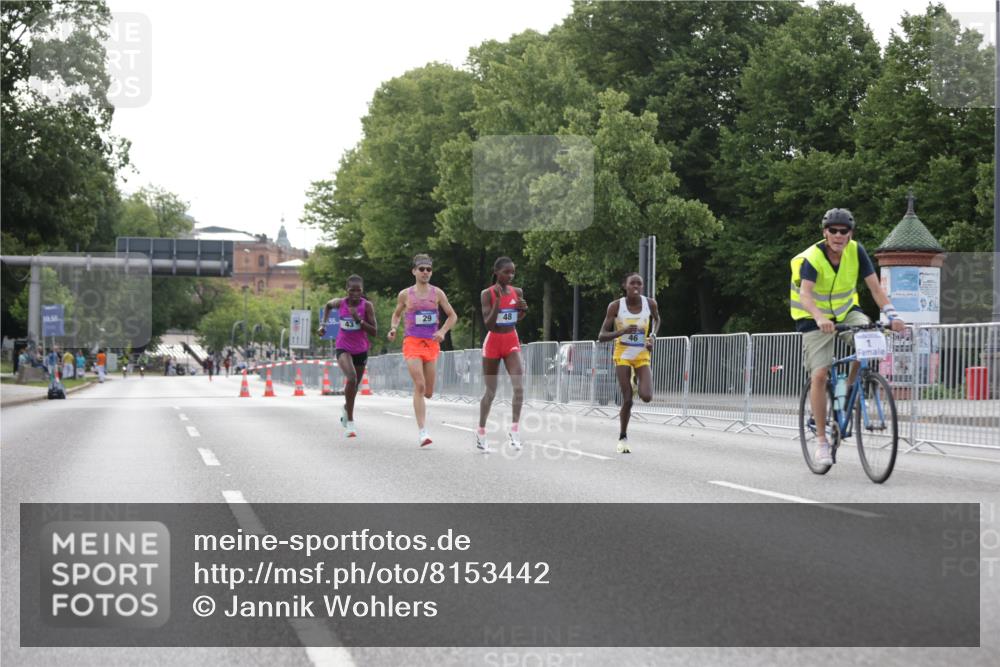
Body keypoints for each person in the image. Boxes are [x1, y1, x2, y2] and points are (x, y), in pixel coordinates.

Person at [790, 208, 906, 466]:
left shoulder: (856, 251)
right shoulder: (813, 258)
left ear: (850, 234)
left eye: (844, 231)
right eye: (833, 230)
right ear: (825, 232)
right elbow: (805, 295)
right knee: (820, 374)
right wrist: (820, 318)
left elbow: (876, 288)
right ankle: (821, 441)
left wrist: (892, 315)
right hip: (813, 318)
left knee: (872, 340)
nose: (838, 235)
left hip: (845, 312)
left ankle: (851, 387)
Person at [387, 254, 458, 447]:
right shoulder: (405, 294)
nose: (425, 272)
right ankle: (422, 432)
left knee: (428, 391)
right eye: (422, 269)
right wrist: (393, 328)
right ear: (414, 271)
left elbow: (452, 316)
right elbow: (396, 313)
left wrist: (442, 331)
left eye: (428, 269)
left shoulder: (438, 294)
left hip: (431, 344)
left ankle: (424, 400)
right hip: (412, 343)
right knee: (419, 385)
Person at [598, 273, 661, 454]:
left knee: (647, 396)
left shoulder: (650, 303)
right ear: (624, 285)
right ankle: (623, 437)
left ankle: (636, 381)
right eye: (632, 283)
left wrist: (652, 337)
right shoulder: (616, 306)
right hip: (623, 354)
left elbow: (657, 319)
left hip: (642, 354)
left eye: (639, 283)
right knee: (627, 398)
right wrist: (621, 332)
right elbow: (602, 336)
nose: (636, 286)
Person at [476, 257, 528, 451]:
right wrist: (497, 301)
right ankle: (481, 432)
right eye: (506, 272)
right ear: (496, 272)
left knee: (519, 387)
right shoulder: (486, 294)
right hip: (493, 342)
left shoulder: (518, 292)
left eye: (513, 272)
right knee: (490, 392)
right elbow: (489, 324)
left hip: (511, 340)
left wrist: (523, 310)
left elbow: (516, 318)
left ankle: (514, 431)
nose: (510, 276)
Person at [320, 275, 377, 438]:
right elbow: (327, 306)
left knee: (354, 386)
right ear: (347, 290)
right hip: (343, 346)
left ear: (362, 291)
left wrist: (358, 320)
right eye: (352, 290)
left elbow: (374, 331)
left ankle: (346, 408)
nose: (355, 294)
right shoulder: (340, 303)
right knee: (351, 378)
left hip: (361, 349)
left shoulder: (367, 306)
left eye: (358, 290)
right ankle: (350, 423)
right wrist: (323, 325)